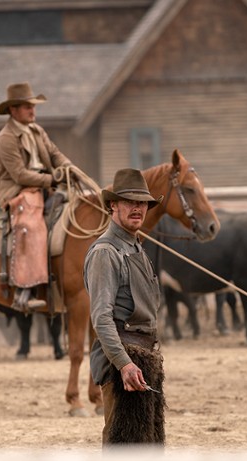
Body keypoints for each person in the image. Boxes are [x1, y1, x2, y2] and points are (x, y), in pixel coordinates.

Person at [83, 168, 165, 444]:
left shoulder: (136, 247)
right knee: (122, 446)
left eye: (142, 203)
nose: (138, 208)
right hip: (122, 361)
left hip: (143, 358)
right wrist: (124, 364)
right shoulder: (106, 253)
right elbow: (101, 320)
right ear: (113, 205)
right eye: (130, 201)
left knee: (147, 443)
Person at [0, 81, 75, 311]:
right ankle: (24, 291)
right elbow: (19, 175)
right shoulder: (6, 139)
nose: (33, 111)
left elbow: (55, 154)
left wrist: (69, 168)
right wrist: (52, 179)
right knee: (30, 224)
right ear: (13, 110)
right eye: (27, 107)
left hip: (44, 187)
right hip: (18, 190)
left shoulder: (37, 131)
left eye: (33, 106)